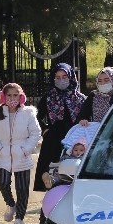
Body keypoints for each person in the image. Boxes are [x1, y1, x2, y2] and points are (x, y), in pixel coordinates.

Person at [0, 83, 42, 224]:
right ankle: (11, 204)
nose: (12, 98)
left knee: (22, 188)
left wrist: (26, 149)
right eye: (9, 95)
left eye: (15, 95)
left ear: (21, 96)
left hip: (21, 155)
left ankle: (20, 218)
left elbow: (36, 133)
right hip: (4, 154)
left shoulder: (28, 113)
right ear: (4, 96)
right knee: (3, 183)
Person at [35, 63, 86, 191]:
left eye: (64, 76)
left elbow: (87, 119)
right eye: (57, 77)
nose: (61, 80)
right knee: (52, 175)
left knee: (73, 174)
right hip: (53, 142)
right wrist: (45, 130)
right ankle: (49, 206)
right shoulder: (48, 98)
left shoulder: (80, 99)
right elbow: (35, 116)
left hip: (74, 143)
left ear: (71, 77)